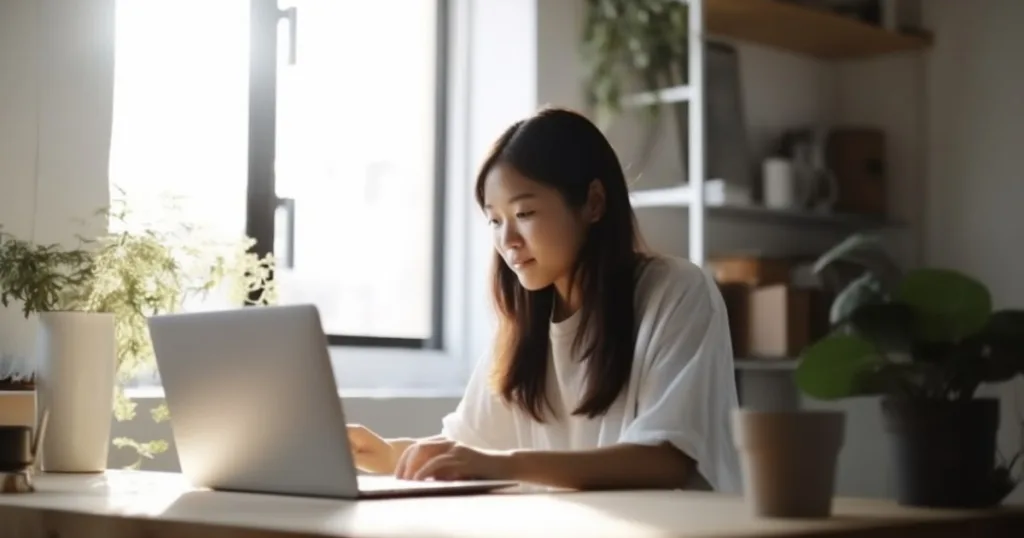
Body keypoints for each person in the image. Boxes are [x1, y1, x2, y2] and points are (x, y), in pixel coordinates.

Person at [347, 106, 742, 493]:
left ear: (594, 202)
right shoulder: (524, 327)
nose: (508, 241)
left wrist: (505, 464)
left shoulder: (678, 292)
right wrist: (382, 453)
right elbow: (471, 447)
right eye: (495, 220)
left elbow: (666, 459)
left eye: (525, 212)